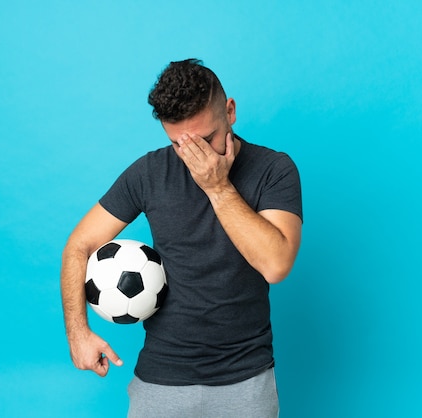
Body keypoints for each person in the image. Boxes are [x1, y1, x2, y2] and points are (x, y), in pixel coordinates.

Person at [61, 58, 302, 417]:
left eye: (205, 140)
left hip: (246, 379)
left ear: (230, 111)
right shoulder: (149, 172)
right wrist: (77, 334)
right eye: (179, 144)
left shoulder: (274, 170)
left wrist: (217, 188)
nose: (195, 157)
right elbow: (78, 244)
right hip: (162, 378)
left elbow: (276, 265)